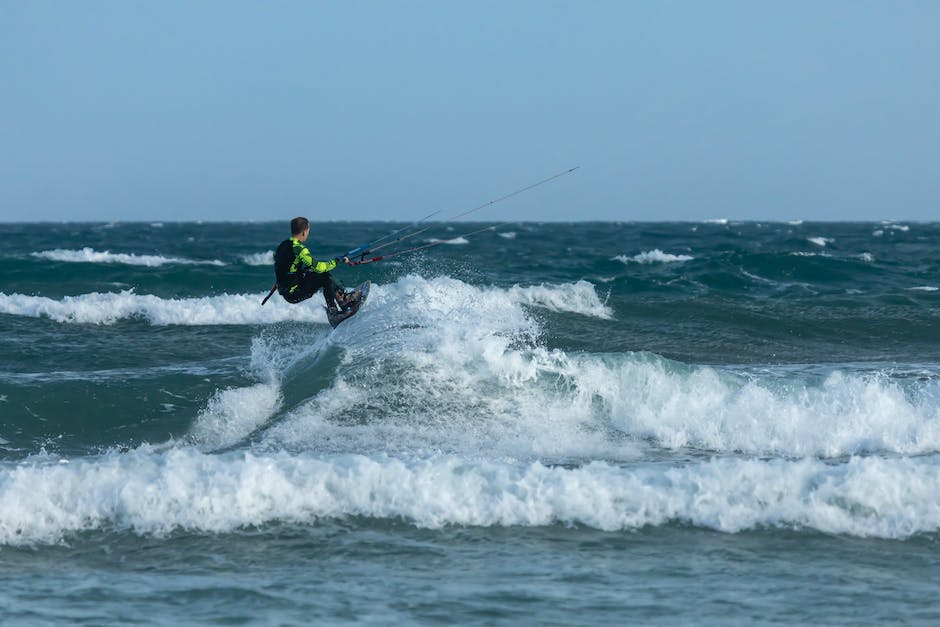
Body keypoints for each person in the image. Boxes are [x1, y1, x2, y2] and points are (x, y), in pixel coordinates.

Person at [274, 217, 352, 311]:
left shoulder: (282, 245)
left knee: (311, 270)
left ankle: (342, 298)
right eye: (308, 231)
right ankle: (335, 307)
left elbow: (281, 266)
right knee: (325, 276)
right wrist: (336, 261)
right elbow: (319, 268)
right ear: (304, 232)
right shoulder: (299, 249)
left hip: (285, 290)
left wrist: (280, 281)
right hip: (294, 293)